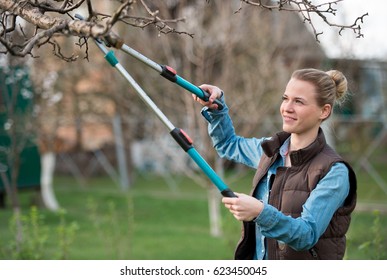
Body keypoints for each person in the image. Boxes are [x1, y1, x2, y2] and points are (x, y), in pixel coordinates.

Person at [194, 68, 357, 260]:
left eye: (299, 101)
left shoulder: (335, 172)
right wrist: (217, 106)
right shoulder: (270, 151)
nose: (287, 107)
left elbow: (306, 235)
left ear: (324, 111)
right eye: (285, 98)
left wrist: (259, 212)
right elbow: (228, 144)